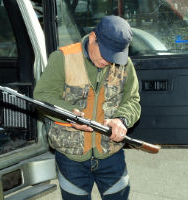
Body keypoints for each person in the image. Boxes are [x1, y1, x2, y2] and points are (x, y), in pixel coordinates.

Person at [34, 15, 141, 200]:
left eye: (115, 56)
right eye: (106, 54)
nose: (109, 62)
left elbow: (132, 100)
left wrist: (122, 120)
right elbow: (43, 96)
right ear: (93, 38)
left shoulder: (125, 65)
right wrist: (70, 114)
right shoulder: (62, 58)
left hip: (111, 153)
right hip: (70, 156)